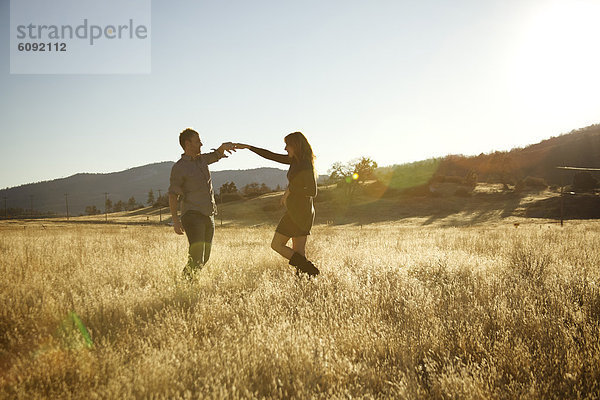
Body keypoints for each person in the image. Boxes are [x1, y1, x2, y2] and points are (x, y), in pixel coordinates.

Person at [235, 132, 320, 277]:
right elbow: (271, 155)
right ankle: (305, 280)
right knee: (299, 253)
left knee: (276, 245)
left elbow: (312, 191)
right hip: (300, 211)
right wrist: (248, 147)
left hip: (299, 212)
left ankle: (310, 270)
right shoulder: (295, 161)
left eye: (288, 145)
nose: (285, 148)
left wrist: (290, 190)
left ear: (296, 146)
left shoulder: (305, 164)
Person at [168, 128, 235, 278]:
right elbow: (173, 195)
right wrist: (175, 220)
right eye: (197, 141)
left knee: (204, 258)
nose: (201, 144)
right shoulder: (179, 168)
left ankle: (186, 282)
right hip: (192, 215)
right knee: (197, 256)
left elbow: (216, 155)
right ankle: (185, 287)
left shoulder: (202, 160)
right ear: (188, 144)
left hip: (208, 215)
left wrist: (223, 147)